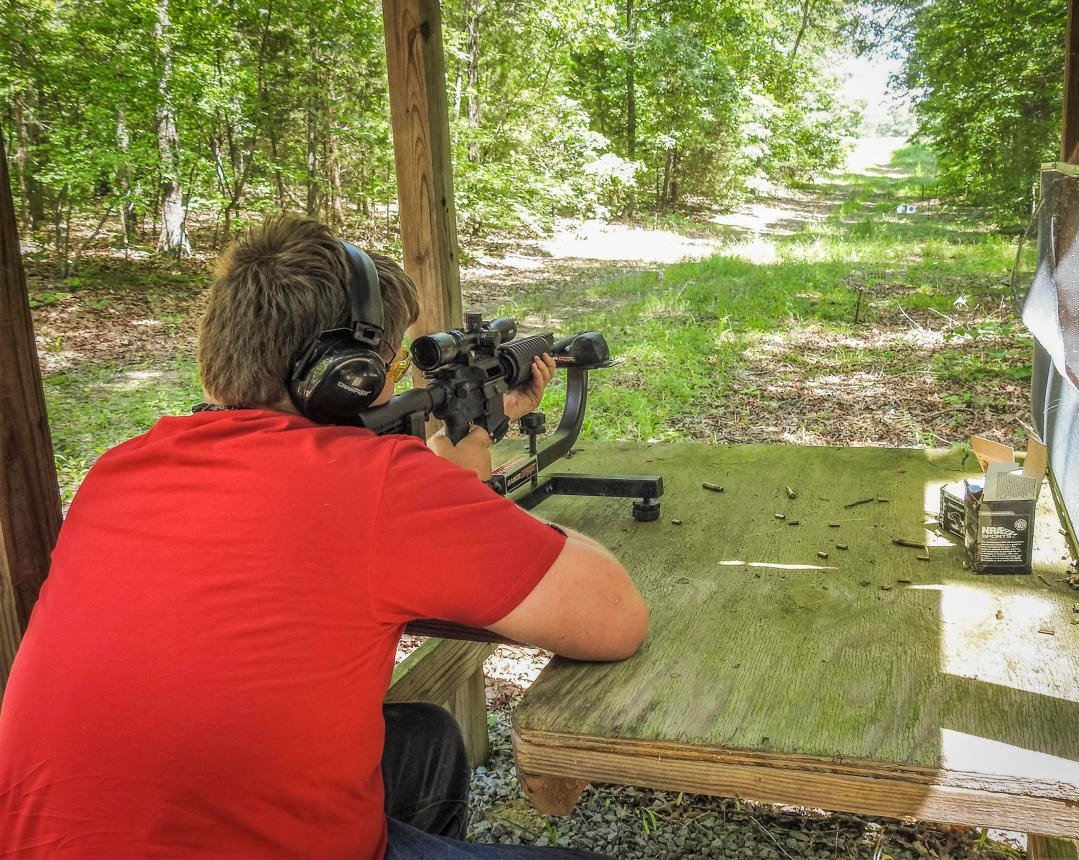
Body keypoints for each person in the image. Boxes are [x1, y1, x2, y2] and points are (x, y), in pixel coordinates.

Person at [0, 215, 648, 858]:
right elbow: (615, 618)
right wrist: (464, 479)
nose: (393, 380)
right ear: (347, 373)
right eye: (390, 362)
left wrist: (461, 456)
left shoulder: (119, 468)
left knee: (423, 741)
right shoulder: (378, 484)